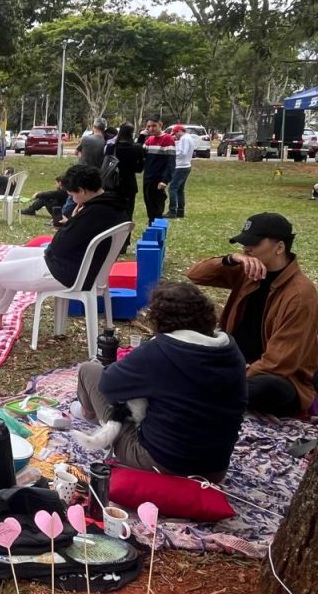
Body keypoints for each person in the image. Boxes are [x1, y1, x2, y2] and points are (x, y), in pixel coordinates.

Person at [74, 281, 246, 481]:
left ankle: (88, 413)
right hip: (215, 469)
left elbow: (108, 386)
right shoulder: (231, 350)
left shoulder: (160, 351)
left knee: (89, 370)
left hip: (161, 465)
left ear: (159, 319)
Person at [0, 164, 129, 328]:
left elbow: (59, 245)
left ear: (82, 191)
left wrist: (72, 221)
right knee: (13, 255)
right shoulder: (112, 205)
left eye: (72, 194)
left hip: (67, 272)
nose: (72, 199)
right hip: (81, 265)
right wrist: (73, 222)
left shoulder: (92, 213)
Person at [187, 213, 318, 416]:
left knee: (265, 387)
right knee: (179, 350)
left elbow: (279, 363)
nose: (246, 248)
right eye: (245, 243)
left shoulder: (301, 295)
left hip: (276, 377)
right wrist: (231, 259)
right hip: (234, 360)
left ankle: (206, 394)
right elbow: (195, 274)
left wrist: (232, 375)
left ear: (279, 248)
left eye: (254, 243)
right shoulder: (248, 270)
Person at [104, 123, 145, 252]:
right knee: (127, 214)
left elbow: (105, 164)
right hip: (129, 184)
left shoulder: (112, 147)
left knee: (111, 214)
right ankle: (124, 243)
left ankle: (110, 241)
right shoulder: (137, 148)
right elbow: (139, 168)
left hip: (112, 184)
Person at [141, 115, 174, 223]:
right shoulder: (149, 140)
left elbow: (171, 161)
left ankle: (156, 230)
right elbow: (140, 154)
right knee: (149, 209)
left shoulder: (168, 139)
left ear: (160, 124)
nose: (151, 129)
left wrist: (165, 180)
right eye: (148, 126)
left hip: (158, 180)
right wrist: (141, 137)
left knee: (157, 210)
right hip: (147, 178)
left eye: (154, 126)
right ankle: (151, 228)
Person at [165, 125, 194, 218]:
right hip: (186, 165)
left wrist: (172, 154)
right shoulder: (189, 137)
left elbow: (183, 152)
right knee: (180, 190)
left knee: (172, 188)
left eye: (176, 133)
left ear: (180, 131)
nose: (175, 136)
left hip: (180, 166)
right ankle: (180, 211)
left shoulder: (184, 139)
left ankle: (172, 211)